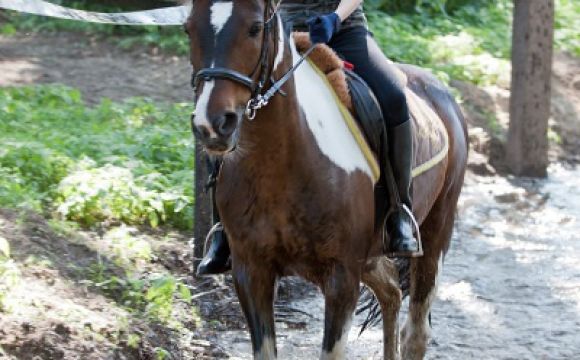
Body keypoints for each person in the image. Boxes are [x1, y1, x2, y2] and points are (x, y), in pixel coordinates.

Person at [197, 0, 419, 276]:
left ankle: (399, 212)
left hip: (343, 28)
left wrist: (335, 18)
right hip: (278, 31)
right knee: (225, 104)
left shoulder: (342, 22)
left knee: (392, 97)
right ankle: (222, 231)